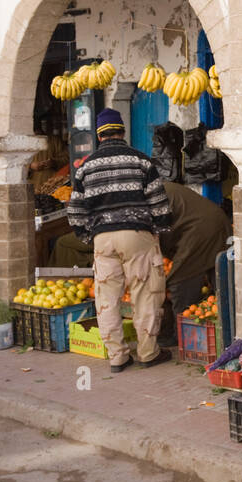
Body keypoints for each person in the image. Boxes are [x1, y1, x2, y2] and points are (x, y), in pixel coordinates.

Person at [66, 109, 172, 372]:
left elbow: (75, 211)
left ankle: (117, 357)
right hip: (137, 236)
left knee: (106, 299)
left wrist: (88, 235)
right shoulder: (141, 161)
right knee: (145, 294)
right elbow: (159, 204)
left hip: (103, 238)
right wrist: (158, 229)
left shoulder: (86, 167)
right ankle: (148, 353)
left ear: (99, 135)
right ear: (122, 131)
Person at [158, 180, 230, 347]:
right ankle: (224, 332)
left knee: (179, 281)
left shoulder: (150, 193)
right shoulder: (157, 187)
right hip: (210, 224)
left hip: (199, 231)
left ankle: (184, 337)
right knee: (220, 285)